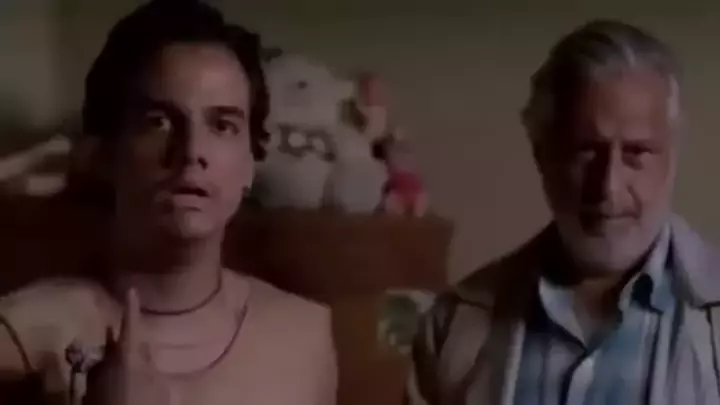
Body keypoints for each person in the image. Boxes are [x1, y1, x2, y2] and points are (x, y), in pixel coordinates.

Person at [0, 1, 337, 404]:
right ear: (102, 154)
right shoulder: (25, 332)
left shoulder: (304, 336)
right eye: (158, 121)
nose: (192, 151)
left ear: (250, 166)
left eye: (222, 125)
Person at [407, 19, 720, 405]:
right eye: (586, 151)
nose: (608, 187)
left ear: (671, 158)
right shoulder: (451, 325)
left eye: (637, 152)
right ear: (543, 155)